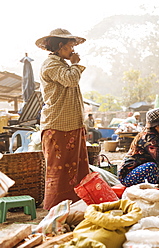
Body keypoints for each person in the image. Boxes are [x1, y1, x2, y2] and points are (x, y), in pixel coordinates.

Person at [35, 28, 90, 210]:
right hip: (57, 125)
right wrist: (75, 64)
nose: (73, 50)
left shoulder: (62, 64)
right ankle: (55, 208)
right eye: (70, 46)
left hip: (72, 124)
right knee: (59, 169)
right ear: (60, 46)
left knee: (78, 168)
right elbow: (71, 80)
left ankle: (76, 205)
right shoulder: (51, 64)